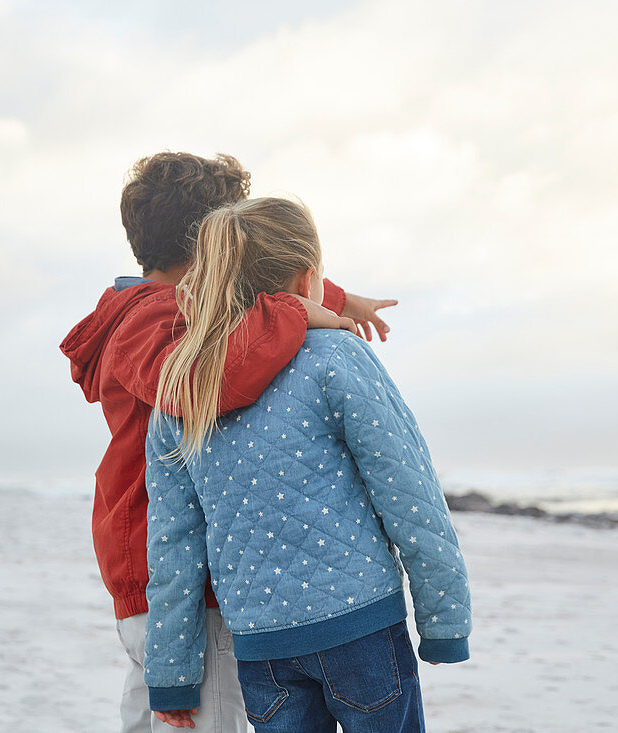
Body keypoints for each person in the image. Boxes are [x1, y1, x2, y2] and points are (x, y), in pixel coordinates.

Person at [59, 152, 399, 733]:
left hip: (173, 576)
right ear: (214, 243)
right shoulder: (151, 321)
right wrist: (297, 308)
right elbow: (208, 380)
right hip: (177, 578)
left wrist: (337, 299)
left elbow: (261, 286)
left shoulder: (176, 308)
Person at [143, 197, 472, 732]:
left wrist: (172, 671)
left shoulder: (182, 387)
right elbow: (408, 493)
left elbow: (173, 544)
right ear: (308, 279)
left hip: (261, 646)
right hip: (361, 624)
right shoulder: (335, 357)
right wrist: (445, 617)